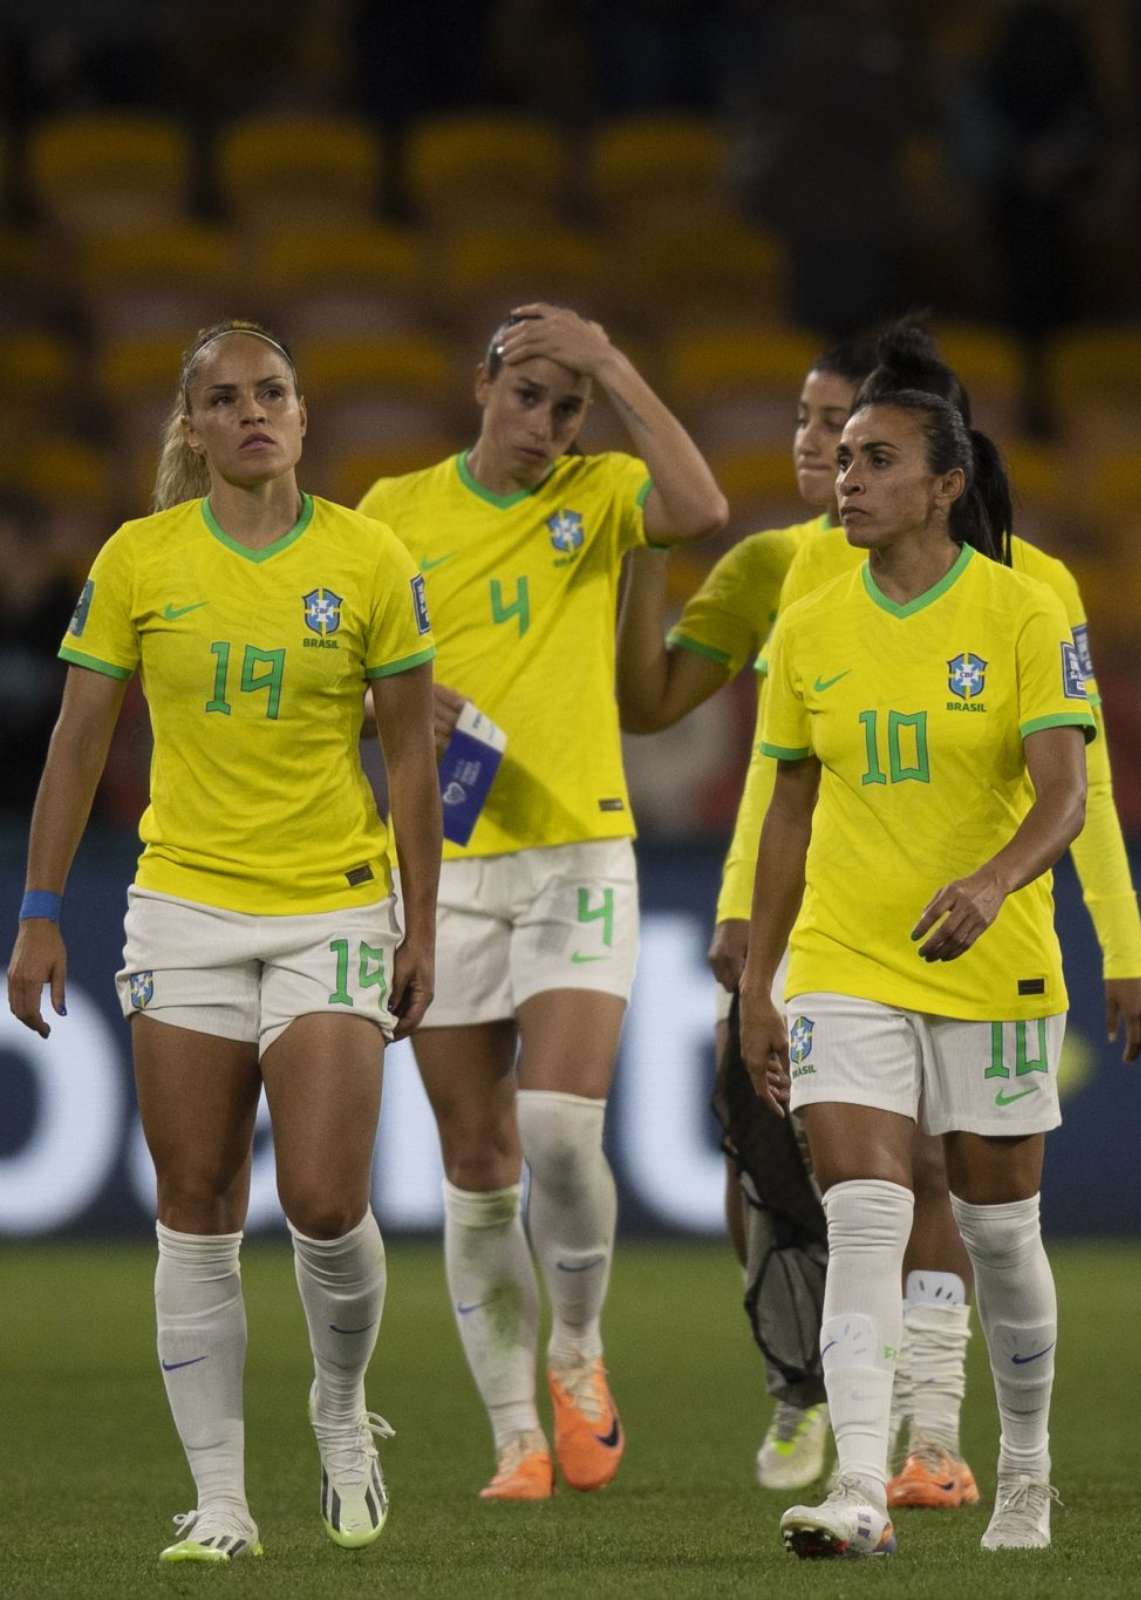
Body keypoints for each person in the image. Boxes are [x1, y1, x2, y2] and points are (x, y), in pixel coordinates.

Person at [6, 320, 441, 1563]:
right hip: (184, 905)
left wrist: (425, 916)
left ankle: (342, 1407)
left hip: (335, 902)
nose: (254, 413)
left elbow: (410, 750)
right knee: (194, 1205)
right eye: (225, 398)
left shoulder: (369, 557)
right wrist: (39, 912)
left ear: (303, 416)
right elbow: (78, 742)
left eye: (274, 392)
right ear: (192, 430)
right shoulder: (142, 558)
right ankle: (223, 1502)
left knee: (322, 1197)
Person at [731, 324, 1141, 1511]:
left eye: (874, 460)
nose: (845, 478)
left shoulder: (1025, 612)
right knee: (864, 1211)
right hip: (847, 953)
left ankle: (1021, 1466)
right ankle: (864, 1486)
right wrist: (766, 981)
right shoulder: (810, 623)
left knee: (999, 1230)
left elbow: (1073, 795)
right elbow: (783, 813)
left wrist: (996, 884)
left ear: (944, 484)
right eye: (842, 456)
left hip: (992, 958)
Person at [359, 303, 727, 1500]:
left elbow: (705, 509)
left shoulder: (602, 493)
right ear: (482, 385)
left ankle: (578, 1348)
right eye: (530, 395)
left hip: (579, 850)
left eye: (568, 405)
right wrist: (399, 709)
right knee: (476, 1159)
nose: (548, 424)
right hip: (446, 864)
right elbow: (342, 681)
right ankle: (515, 1434)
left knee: (562, 1127)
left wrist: (615, 358)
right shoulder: (392, 512)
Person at [617, 330, 880, 1491]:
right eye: (805, 418)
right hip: (780, 910)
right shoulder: (775, 563)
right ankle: (796, 1384)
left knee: (907, 1171)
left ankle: (917, 1415)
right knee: (758, 1143)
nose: (816, 442)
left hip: (912, 917)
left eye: (842, 421)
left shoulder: (991, 584)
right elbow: (653, 697)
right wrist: (648, 558)